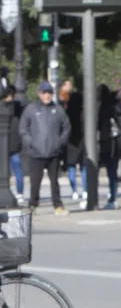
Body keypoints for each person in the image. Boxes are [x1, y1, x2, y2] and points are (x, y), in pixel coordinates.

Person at [19, 82, 69, 217]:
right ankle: (33, 205)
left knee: (55, 182)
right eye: (44, 93)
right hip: (36, 152)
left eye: (49, 93)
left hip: (53, 152)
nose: (47, 95)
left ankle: (57, 205)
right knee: (35, 181)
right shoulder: (31, 109)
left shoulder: (58, 110)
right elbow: (23, 128)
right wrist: (30, 142)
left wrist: (60, 142)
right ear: (39, 94)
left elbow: (66, 127)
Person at [58, 79, 87, 206]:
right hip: (83, 139)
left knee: (71, 166)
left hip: (70, 141)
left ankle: (74, 190)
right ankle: (85, 190)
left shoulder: (67, 111)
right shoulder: (84, 112)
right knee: (84, 166)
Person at [3, 86, 25, 205]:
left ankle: (19, 192)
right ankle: (20, 193)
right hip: (14, 144)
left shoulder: (6, 107)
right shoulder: (19, 107)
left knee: (13, 170)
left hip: (9, 144)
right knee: (17, 170)